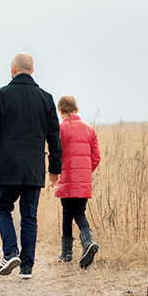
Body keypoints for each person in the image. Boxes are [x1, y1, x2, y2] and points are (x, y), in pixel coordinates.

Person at [0, 53, 62, 279]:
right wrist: (55, 170)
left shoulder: (1, 95)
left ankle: (10, 252)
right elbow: (54, 138)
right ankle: (26, 267)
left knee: (2, 208)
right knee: (29, 217)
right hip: (34, 169)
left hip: (6, 168)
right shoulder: (46, 98)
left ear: (13, 69)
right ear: (32, 71)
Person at [53, 95, 100, 268]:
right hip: (83, 179)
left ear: (61, 111)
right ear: (77, 109)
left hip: (67, 179)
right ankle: (88, 242)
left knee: (67, 212)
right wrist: (85, 172)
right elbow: (97, 157)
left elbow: (56, 154)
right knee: (79, 212)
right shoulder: (90, 129)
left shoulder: (61, 129)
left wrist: (55, 172)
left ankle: (67, 253)